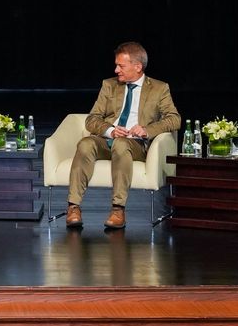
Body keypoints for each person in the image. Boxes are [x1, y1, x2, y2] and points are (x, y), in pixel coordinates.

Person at [66, 42, 180, 230]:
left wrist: (147, 130)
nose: (116, 70)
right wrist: (110, 130)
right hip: (108, 140)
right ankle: (73, 207)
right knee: (86, 143)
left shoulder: (159, 88)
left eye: (121, 66)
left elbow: (174, 119)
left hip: (135, 145)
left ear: (138, 66)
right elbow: (92, 119)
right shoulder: (109, 85)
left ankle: (118, 209)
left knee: (121, 144)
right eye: (116, 65)